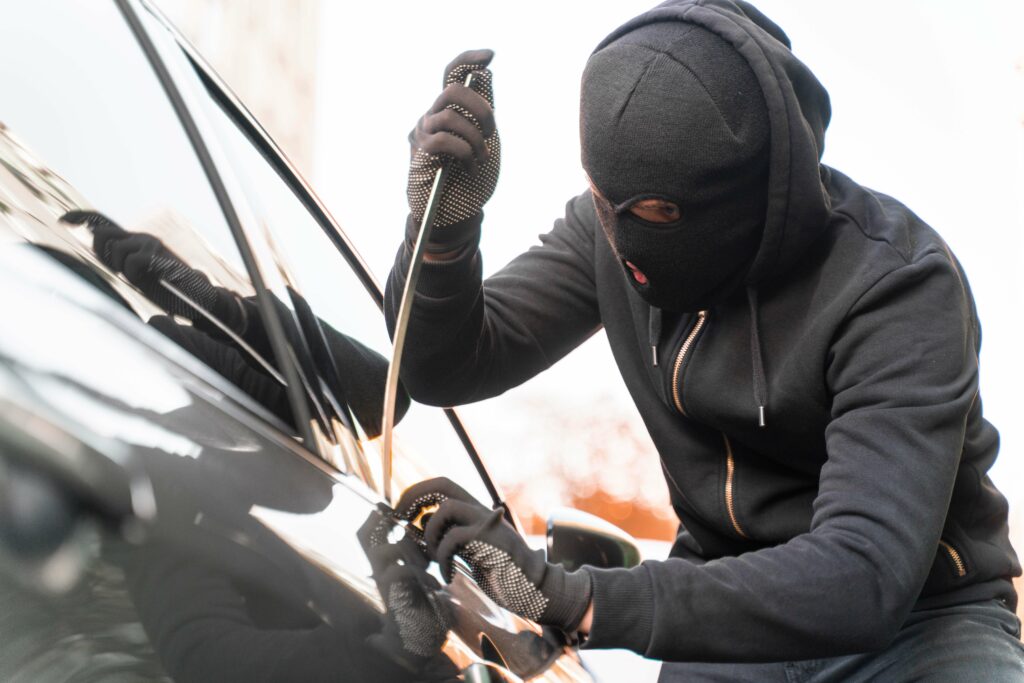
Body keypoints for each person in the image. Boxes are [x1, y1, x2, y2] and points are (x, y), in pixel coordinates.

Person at [384, 0, 1024, 680]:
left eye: (658, 211)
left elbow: (865, 572)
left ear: (751, 187)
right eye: (605, 198)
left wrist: (576, 597)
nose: (626, 243)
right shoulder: (607, 231)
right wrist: (446, 235)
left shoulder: (897, 284)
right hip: (722, 613)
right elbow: (446, 366)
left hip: (920, 627)